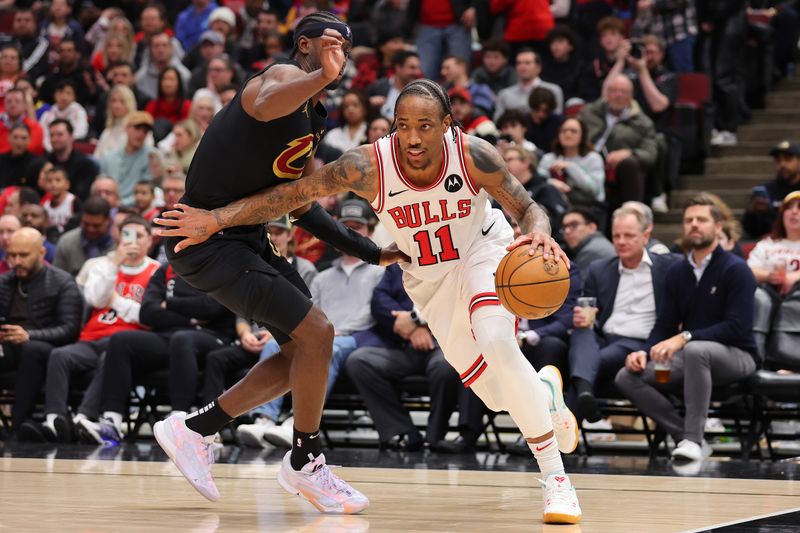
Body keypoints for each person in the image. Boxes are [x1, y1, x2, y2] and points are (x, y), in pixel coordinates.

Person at [157, 75, 583, 522]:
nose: (413, 137)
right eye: (403, 125)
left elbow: (528, 207)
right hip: (428, 281)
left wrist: (538, 234)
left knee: (497, 342)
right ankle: (545, 393)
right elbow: (293, 196)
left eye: (424, 125)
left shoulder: (474, 154)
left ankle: (557, 481)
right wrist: (216, 219)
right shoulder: (367, 166)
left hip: (483, 252)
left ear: (447, 125)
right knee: (499, 397)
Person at [147, 12, 403, 513]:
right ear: (303, 44)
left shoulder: (313, 113)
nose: (339, 54)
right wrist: (322, 75)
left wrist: (372, 251)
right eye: (330, 43)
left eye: (345, 49)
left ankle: (193, 429)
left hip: (246, 238)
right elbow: (266, 103)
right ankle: (305, 460)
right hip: (206, 241)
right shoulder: (277, 79)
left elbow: (302, 203)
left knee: (302, 355)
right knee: (319, 334)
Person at [615, 194, 758, 463]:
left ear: (718, 227)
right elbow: (665, 323)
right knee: (627, 375)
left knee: (695, 351)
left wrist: (685, 337)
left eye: (701, 219)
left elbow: (737, 328)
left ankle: (692, 438)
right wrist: (645, 352)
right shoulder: (677, 271)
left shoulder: (736, 269)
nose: (694, 225)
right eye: (688, 220)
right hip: (694, 356)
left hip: (738, 356)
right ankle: (689, 436)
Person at [19, 216, 160, 442]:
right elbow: (95, 298)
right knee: (59, 356)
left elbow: (147, 316)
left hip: (126, 343)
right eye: (126, 236)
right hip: (91, 337)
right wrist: (115, 264)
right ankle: (54, 420)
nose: (132, 242)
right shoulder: (102, 265)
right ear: (118, 238)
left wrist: (114, 300)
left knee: (112, 356)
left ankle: (84, 418)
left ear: (150, 240)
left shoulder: (156, 271)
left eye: (139, 236)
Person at [76, 262, 235, 444]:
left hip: (213, 336)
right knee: (121, 341)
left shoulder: (219, 265)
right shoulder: (166, 269)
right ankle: (112, 421)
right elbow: (147, 312)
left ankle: (179, 422)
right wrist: (191, 318)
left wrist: (170, 304)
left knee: (182, 340)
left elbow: (210, 308)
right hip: (170, 334)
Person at [345, 262, 486, 452]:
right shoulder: (398, 266)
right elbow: (379, 300)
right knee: (360, 361)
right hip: (403, 347)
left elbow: (453, 301)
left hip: (443, 344)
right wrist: (410, 330)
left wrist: (416, 321)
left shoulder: (453, 264)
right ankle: (402, 431)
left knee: (446, 366)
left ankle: (436, 437)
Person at [568, 207, 678, 423]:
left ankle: (579, 400)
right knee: (580, 334)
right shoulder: (599, 269)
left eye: (629, 235)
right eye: (616, 235)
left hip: (637, 342)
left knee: (585, 362)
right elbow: (591, 314)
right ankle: (584, 396)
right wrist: (583, 317)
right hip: (602, 337)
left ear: (646, 235)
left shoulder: (668, 267)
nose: (621, 241)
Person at [0, 227, 82, 433]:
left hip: (47, 349)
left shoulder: (62, 282)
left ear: (42, 253)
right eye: (12, 255)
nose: (17, 261)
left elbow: (69, 329)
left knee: (32, 349)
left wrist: (29, 335)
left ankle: (19, 425)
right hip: (8, 345)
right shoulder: (5, 282)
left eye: (24, 255)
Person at [579, 74, 659, 211]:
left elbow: (650, 154)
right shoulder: (589, 113)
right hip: (585, 159)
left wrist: (629, 152)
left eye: (623, 92)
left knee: (631, 163)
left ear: (631, 96)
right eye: (614, 90)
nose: (618, 95)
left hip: (616, 167)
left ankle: (632, 214)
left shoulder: (642, 122)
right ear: (606, 93)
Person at [538, 117, 606, 208]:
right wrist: (552, 182)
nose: (568, 134)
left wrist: (571, 167)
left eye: (573, 131)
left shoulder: (593, 158)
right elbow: (538, 182)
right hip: (555, 206)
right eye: (563, 131)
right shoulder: (549, 158)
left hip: (588, 206)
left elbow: (595, 190)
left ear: (582, 136)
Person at [742, 141, 800, 239]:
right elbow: (751, 229)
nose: (782, 164)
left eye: (788, 159)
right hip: (772, 243)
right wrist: (752, 212)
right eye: (778, 160)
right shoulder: (766, 190)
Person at [99, 111, 158, 205]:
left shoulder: (151, 156)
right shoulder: (109, 157)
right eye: (137, 128)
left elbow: (146, 191)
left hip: (135, 208)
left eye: (145, 131)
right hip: (107, 205)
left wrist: (121, 204)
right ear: (126, 128)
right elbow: (100, 186)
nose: (141, 134)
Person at [494, 48, 564, 121]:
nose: (522, 67)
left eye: (527, 63)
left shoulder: (553, 90)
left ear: (538, 67)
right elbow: (498, 121)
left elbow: (557, 121)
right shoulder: (504, 94)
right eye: (519, 63)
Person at [53, 196, 114, 277]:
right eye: (86, 224)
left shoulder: (118, 244)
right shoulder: (67, 241)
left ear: (108, 221)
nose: (90, 229)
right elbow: (57, 277)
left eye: (96, 226)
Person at [46, 119, 100, 201]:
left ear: (71, 137)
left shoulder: (85, 165)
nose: (55, 139)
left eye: (59, 135)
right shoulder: (45, 162)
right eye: (52, 135)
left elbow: (82, 195)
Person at [561, 207, 616, 272]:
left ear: (592, 227)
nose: (567, 231)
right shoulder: (599, 242)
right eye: (564, 227)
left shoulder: (591, 251)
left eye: (574, 225)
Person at [0, 88, 44, 156]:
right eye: (9, 101)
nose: (13, 105)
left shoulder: (35, 128)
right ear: (4, 104)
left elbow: (27, 150)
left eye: (17, 101)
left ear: (25, 105)